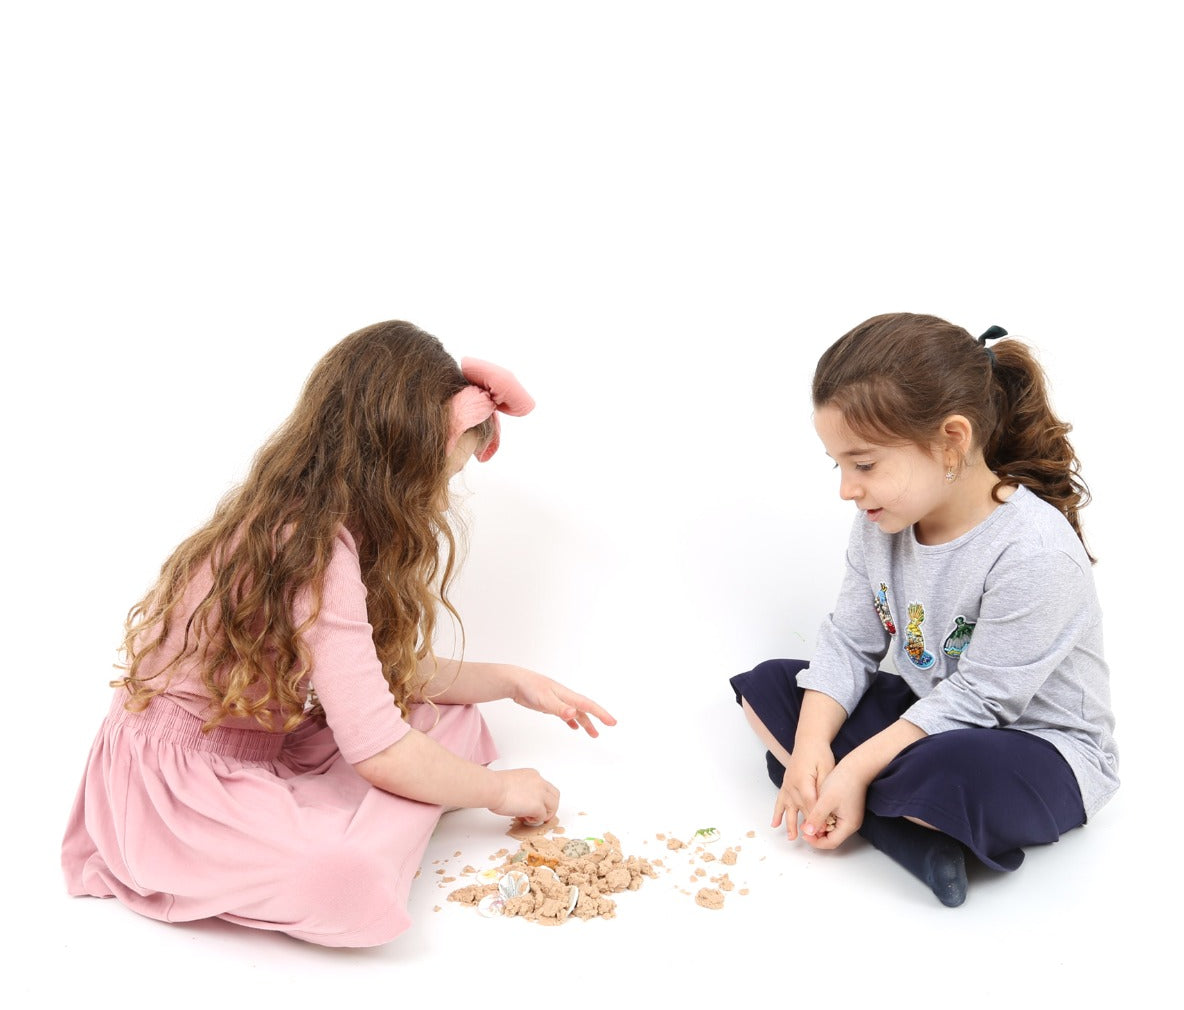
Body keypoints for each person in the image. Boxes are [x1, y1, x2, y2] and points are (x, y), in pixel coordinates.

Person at [62, 320, 614, 946]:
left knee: (457, 718)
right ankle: (387, 824)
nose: (441, 498)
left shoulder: (314, 521)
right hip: (181, 786)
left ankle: (395, 809)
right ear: (397, 461)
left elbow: (374, 676)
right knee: (344, 879)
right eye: (444, 473)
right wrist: (498, 790)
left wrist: (513, 681)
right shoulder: (311, 544)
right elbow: (376, 743)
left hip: (256, 744)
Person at [730, 313, 1118, 907]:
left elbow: (984, 699)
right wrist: (812, 744)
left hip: (1034, 746)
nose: (846, 489)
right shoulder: (879, 523)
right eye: (838, 465)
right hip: (924, 712)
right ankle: (892, 819)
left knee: (952, 774)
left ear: (951, 441)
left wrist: (852, 766)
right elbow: (849, 643)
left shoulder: (1034, 552)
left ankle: (863, 800)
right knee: (772, 687)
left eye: (863, 465)